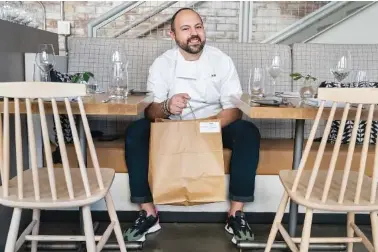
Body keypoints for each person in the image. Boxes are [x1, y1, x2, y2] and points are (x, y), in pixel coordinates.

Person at [123, 8, 260, 244]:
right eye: (185, 29)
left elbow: (236, 108)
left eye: (198, 27)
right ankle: (148, 212)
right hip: (171, 127)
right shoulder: (162, 64)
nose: (193, 33)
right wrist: (166, 106)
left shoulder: (222, 60)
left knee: (248, 132)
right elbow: (150, 110)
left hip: (213, 125)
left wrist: (211, 125)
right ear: (172, 35)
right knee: (136, 132)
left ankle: (235, 213)